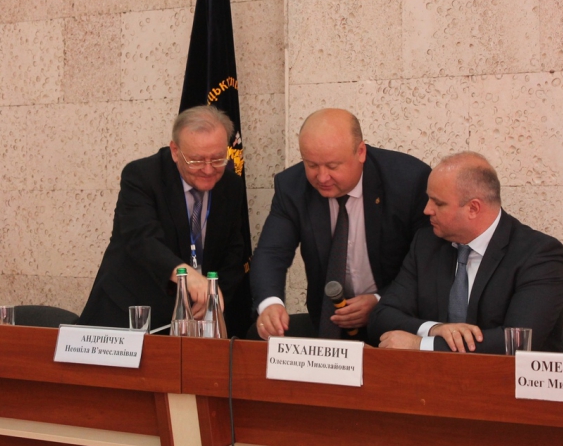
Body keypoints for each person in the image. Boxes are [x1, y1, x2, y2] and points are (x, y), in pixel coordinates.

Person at [250, 108, 431, 341]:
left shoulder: (409, 181)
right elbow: (271, 252)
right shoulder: (292, 187)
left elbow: (427, 264)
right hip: (329, 323)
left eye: (333, 166)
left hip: (397, 323)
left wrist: (381, 300)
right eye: (311, 165)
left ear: (361, 152)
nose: (322, 177)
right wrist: (270, 303)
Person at [369, 152, 563, 353]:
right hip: (428, 373)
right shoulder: (426, 244)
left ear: (473, 208)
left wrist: (421, 344)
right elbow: (382, 316)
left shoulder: (539, 255)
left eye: (438, 203)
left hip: (502, 373)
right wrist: (434, 329)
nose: (427, 210)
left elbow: (517, 342)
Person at [78, 106, 246, 330]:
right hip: (129, 312)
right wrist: (188, 277)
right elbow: (142, 239)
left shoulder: (231, 185)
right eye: (196, 161)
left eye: (217, 159)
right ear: (175, 151)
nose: (208, 170)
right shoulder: (142, 176)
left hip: (195, 318)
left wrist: (214, 293)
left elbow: (234, 251)